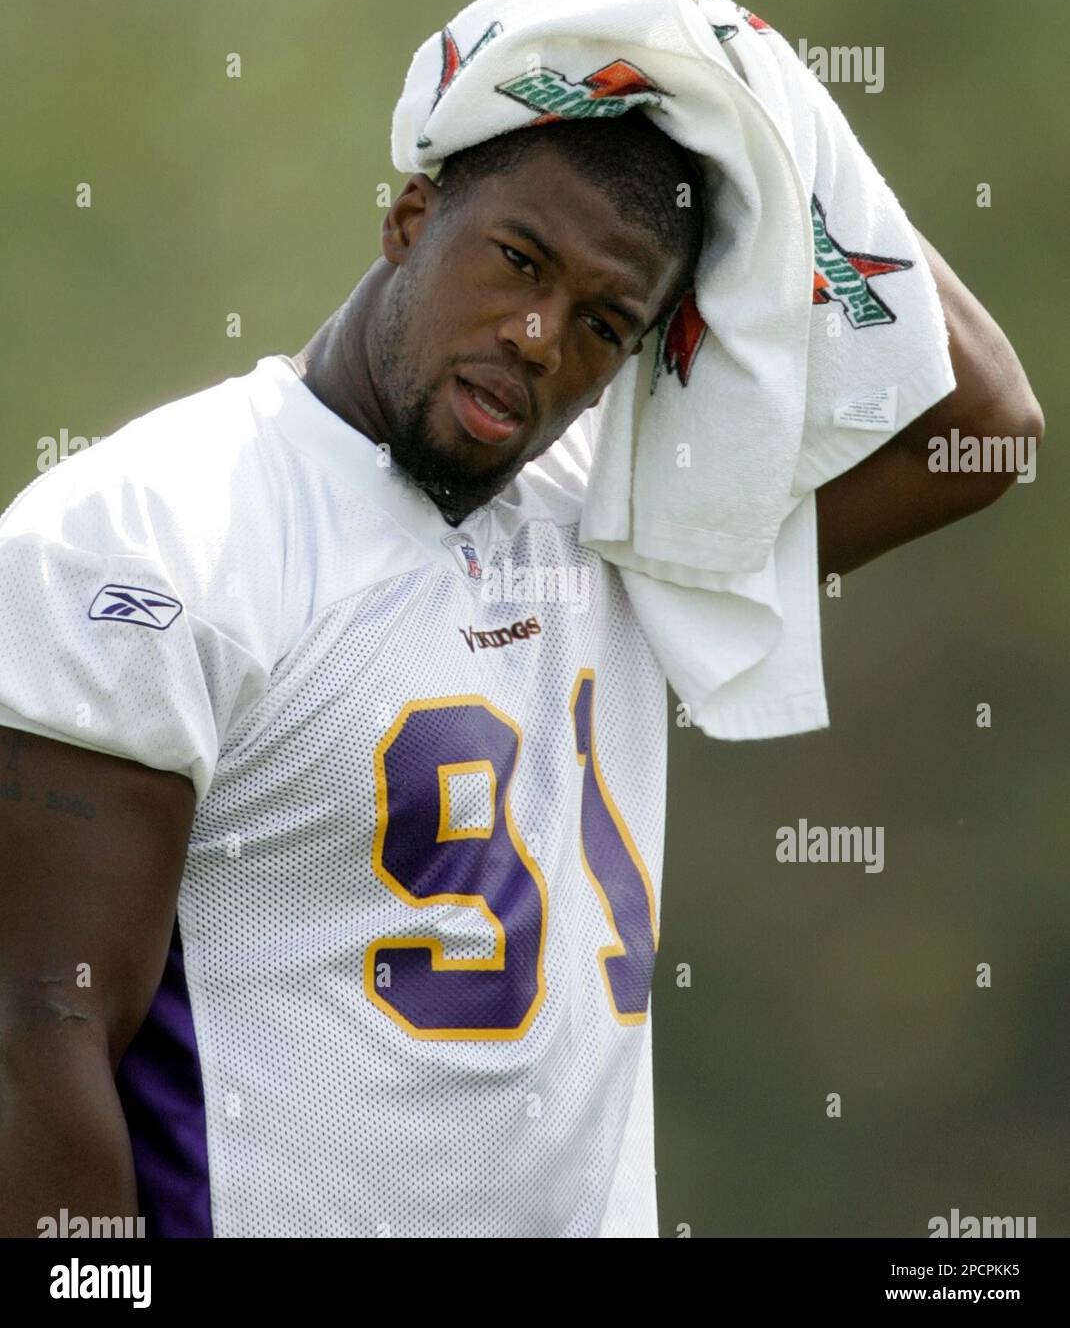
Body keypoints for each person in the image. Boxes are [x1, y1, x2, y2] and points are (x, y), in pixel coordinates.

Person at [0, 109, 1042, 1238]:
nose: (541, 336)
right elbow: (34, 1034)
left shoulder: (624, 524)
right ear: (410, 217)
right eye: (517, 262)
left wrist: (767, 113)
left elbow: (973, 429)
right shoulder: (146, 531)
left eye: (604, 320)